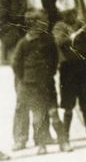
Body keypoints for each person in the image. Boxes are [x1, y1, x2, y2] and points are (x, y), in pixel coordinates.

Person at [2, 0, 58, 148]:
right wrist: (19, 41)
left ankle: (43, 135)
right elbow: (2, 22)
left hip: (42, 46)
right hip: (21, 46)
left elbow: (55, 17)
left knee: (45, 88)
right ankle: (20, 137)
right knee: (23, 92)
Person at [11, 9, 71, 154]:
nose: (46, 24)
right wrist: (24, 77)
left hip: (47, 84)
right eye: (43, 21)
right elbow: (16, 63)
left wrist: (50, 72)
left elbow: (54, 57)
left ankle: (64, 142)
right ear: (32, 24)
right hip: (31, 86)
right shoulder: (24, 43)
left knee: (54, 114)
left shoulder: (49, 40)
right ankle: (41, 145)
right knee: (39, 117)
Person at [53, 0, 86, 147]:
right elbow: (59, 41)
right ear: (62, 14)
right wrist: (74, 36)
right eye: (66, 13)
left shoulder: (81, 24)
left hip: (83, 67)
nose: (70, 16)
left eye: (72, 12)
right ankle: (66, 136)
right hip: (68, 69)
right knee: (68, 104)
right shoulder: (59, 26)